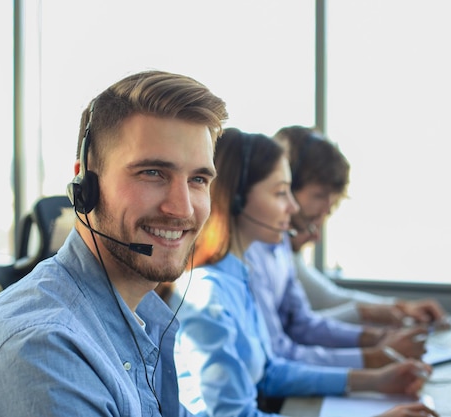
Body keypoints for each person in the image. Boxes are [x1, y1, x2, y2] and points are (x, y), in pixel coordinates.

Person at [0, 70, 228, 417]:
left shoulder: (138, 316)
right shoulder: (47, 356)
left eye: (198, 179)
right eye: (153, 173)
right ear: (86, 183)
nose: (181, 208)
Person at [170, 128, 437, 417]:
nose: (293, 206)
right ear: (236, 198)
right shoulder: (208, 294)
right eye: (280, 192)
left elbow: (270, 371)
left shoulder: (238, 276)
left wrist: (376, 379)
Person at [268, 125, 447, 327]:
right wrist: (372, 320)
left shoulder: (280, 248)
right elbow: (293, 329)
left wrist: (399, 308)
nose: (325, 210)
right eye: (319, 195)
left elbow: (323, 298)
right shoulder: (257, 246)